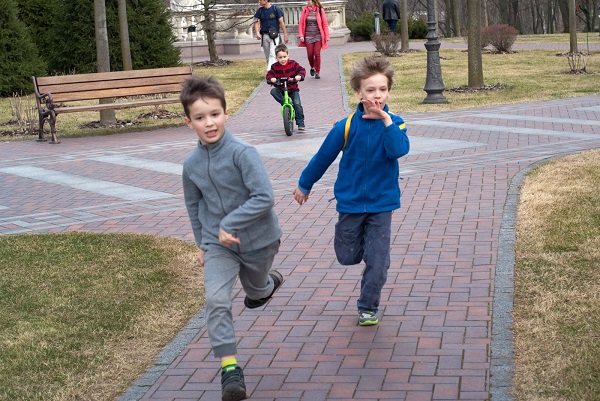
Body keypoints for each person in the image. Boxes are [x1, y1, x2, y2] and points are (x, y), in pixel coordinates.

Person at [180, 75, 284, 401]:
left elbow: (264, 197)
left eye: (214, 114)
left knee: (255, 291)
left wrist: (231, 222)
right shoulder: (191, 164)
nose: (209, 123)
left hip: (259, 241)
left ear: (226, 113)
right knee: (216, 300)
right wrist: (203, 242)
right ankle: (229, 369)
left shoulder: (243, 153)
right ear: (189, 122)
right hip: (218, 245)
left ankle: (265, 286)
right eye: (200, 118)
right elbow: (194, 205)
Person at [292, 56, 410, 327]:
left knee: (378, 262)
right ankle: (358, 249)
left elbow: (398, 150)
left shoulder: (397, 123)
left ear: (388, 91)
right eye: (370, 90)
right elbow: (323, 157)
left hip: (382, 203)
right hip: (351, 202)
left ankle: (368, 306)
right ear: (358, 93)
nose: (377, 95)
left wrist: (386, 121)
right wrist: (304, 184)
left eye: (382, 89)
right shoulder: (345, 126)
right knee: (347, 256)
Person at [267, 44, 306, 131]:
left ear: (288, 55)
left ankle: (300, 122)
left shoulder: (293, 64)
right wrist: (271, 79)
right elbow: (269, 74)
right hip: (281, 89)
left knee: (297, 104)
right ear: (276, 57)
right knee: (273, 91)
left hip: (292, 89)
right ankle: (284, 102)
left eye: (284, 56)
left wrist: (299, 76)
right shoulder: (274, 67)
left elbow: (302, 70)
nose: (283, 59)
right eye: (280, 57)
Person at [298, 0, 329, 79]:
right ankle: (312, 67)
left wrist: (326, 36)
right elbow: (301, 23)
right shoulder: (305, 10)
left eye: (309, 0)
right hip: (308, 36)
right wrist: (301, 35)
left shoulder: (319, 10)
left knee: (317, 53)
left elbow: (325, 24)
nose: (307, 1)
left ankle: (317, 71)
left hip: (318, 35)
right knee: (310, 54)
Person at [254, 0, 289, 71]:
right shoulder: (260, 11)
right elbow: (257, 23)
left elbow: (281, 22)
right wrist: (257, 32)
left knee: (272, 54)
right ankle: (274, 71)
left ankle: (270, 71)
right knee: (267, 56)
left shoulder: (275, 9)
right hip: (265, 35)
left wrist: (285, 34)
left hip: (274, 35)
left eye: (261, 0)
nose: (259, 1)